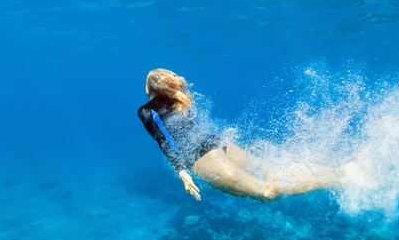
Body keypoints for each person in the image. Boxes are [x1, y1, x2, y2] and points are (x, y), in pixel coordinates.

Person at [137, 68, 374, 202]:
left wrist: (181, 172)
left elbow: (163, 139)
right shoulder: (180, 102)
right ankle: (342, 170)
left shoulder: (147, 110)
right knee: (275, 171)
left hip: (202, 157)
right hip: (217, 144)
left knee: (267, 192)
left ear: (150, 90)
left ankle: (343, 177)